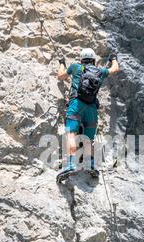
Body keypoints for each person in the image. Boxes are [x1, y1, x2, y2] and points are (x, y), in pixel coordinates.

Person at [56, 48, 119, 182]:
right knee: (89, 138)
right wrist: (113, 58)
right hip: (91, 108)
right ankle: (89, 163)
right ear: (93, 60)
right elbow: (114, 69)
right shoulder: (100, 72)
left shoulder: (75, 67)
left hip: (76, 105)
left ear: (81, 59)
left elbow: (60, 76)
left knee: (71, 133)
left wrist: (62, 63)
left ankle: (71, 164)